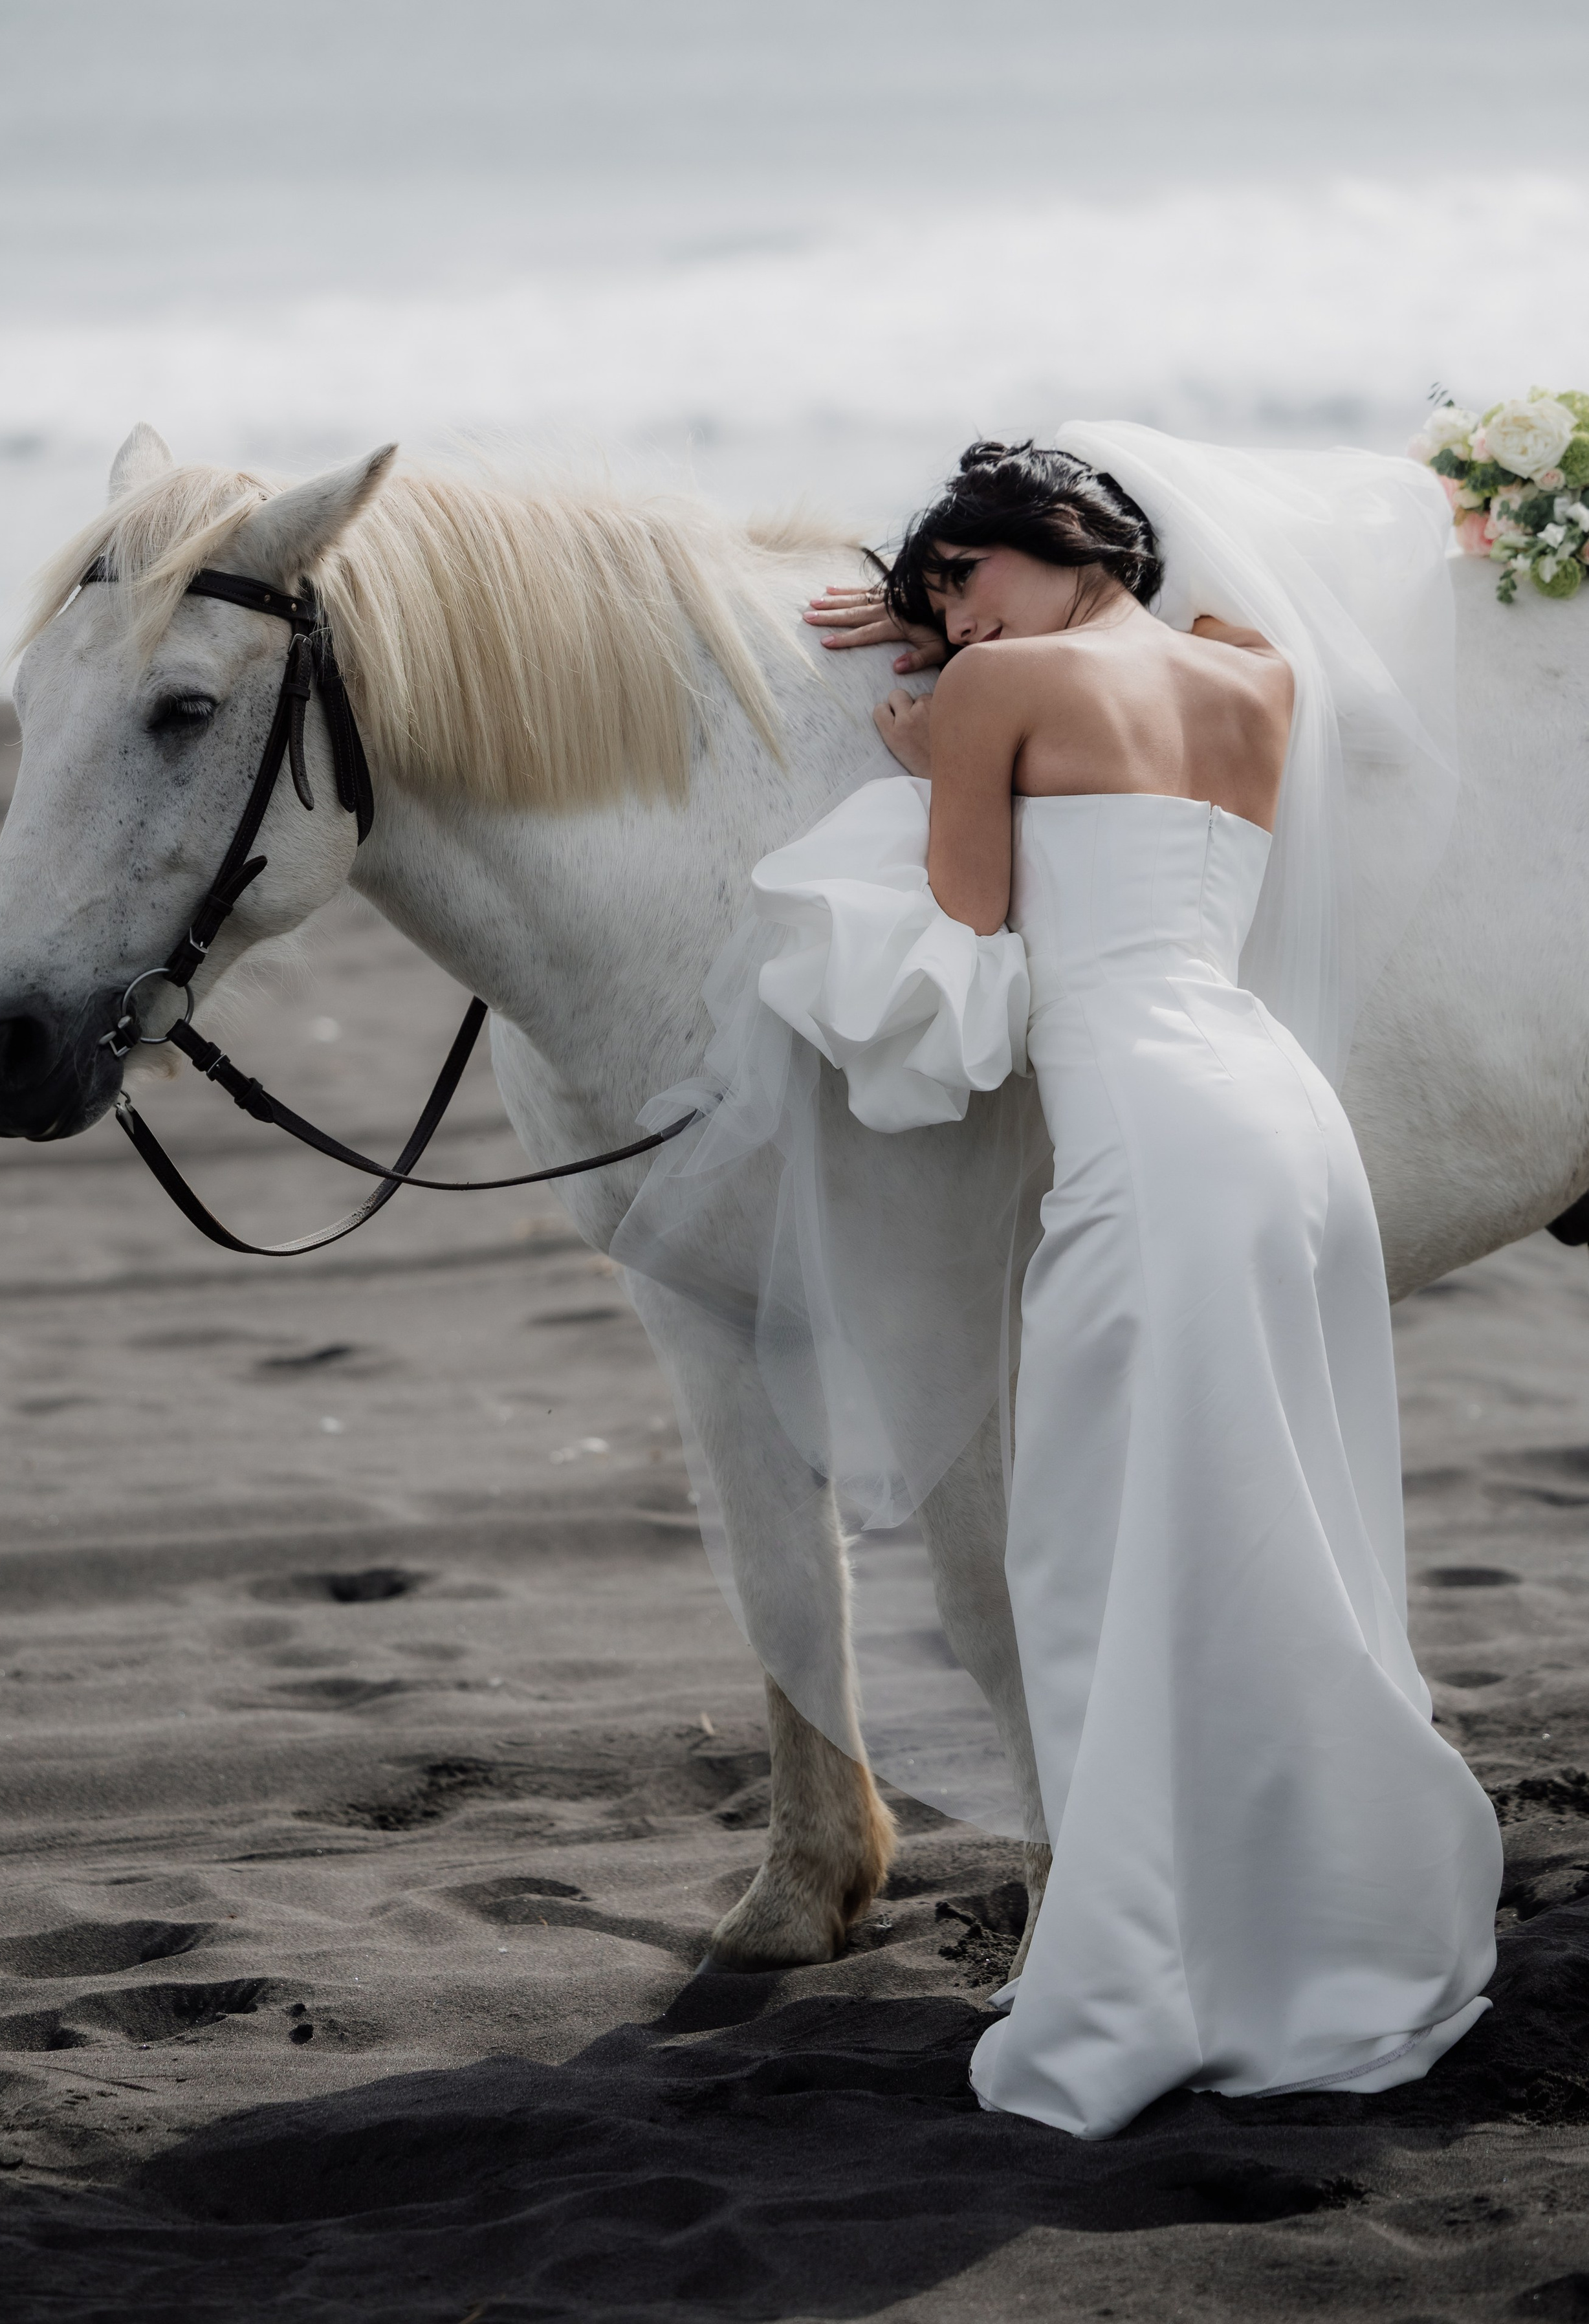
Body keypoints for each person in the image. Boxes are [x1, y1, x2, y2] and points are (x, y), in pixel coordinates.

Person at [619, 426, 1502, 2140]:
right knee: (1278, 1535)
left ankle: (1161, 1958)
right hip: (1287, 1133)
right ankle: (1328, 1899)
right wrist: (969, 637)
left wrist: (918, 751)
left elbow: (965, 950)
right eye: (928, 600)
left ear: (1051, 541)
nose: (948, 620)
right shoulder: (1256, 672)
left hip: (1157, 1152)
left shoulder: (988, 699)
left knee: (1104, 1556)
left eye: (959, 579)